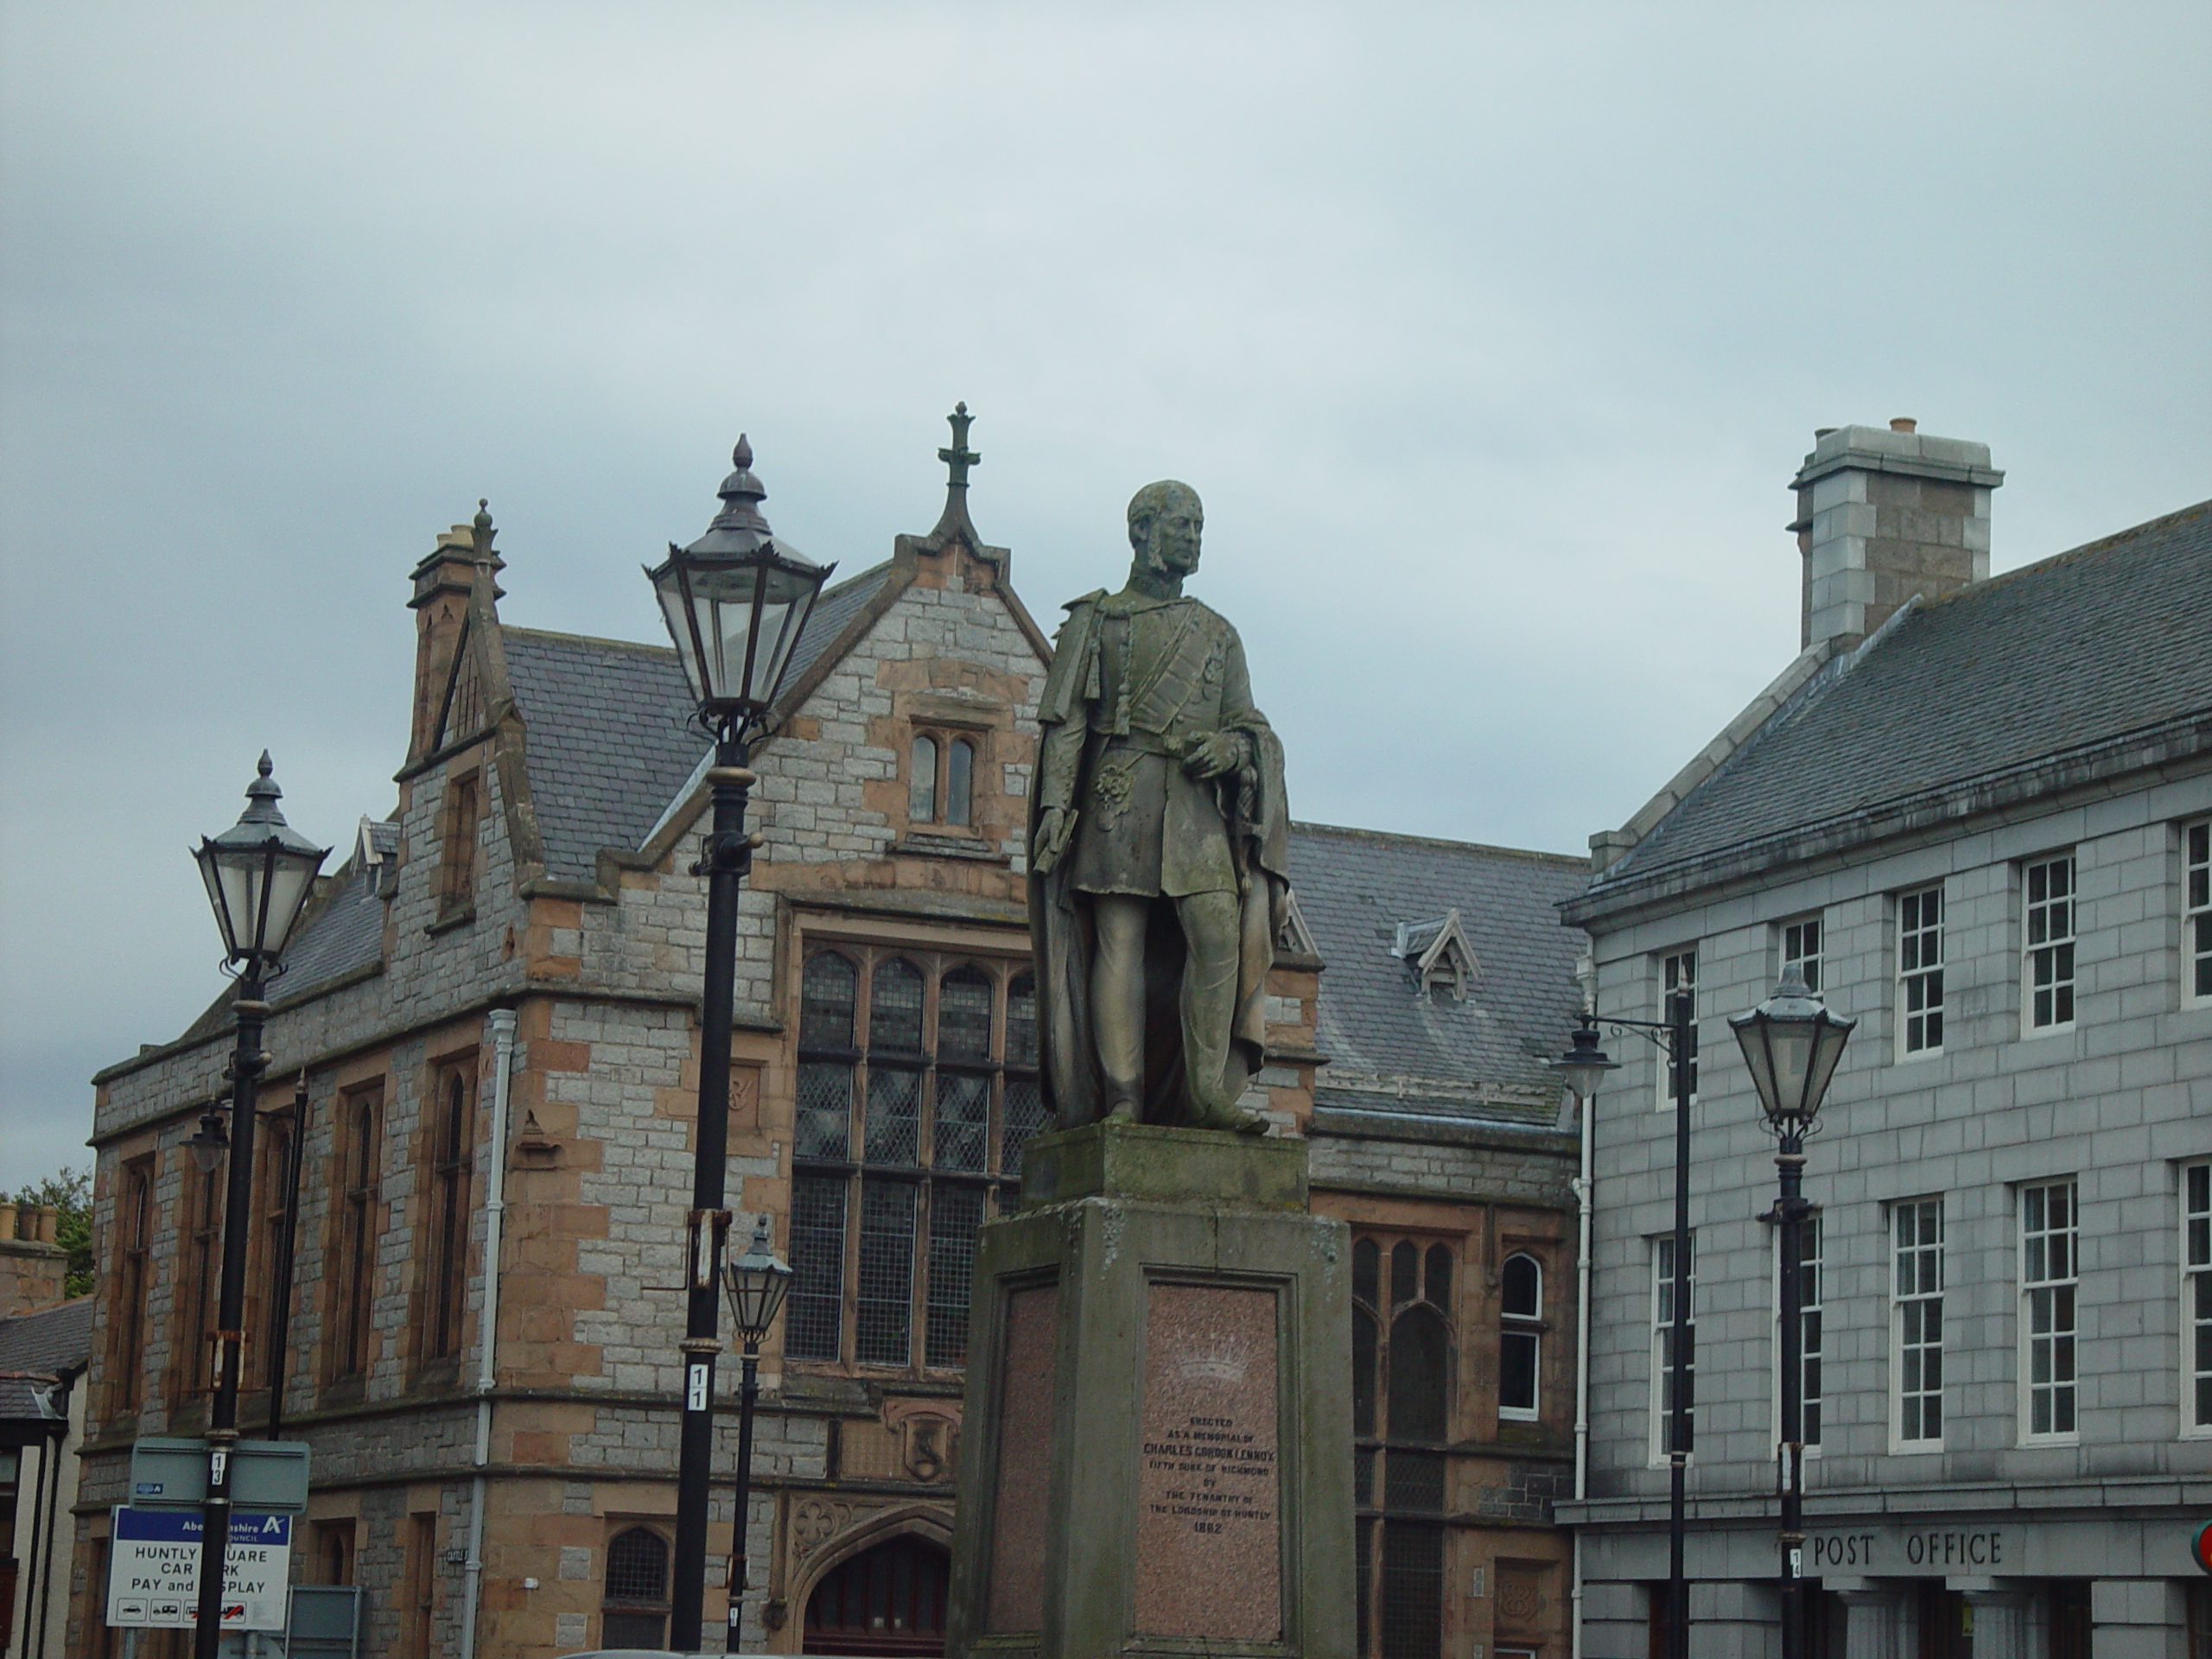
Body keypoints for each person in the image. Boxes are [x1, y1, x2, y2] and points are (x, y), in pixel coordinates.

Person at [1028, 480, 1291, 1134]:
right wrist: (1057, 807)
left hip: (1196, 808)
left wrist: (1232, 750)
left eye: (1200, 527)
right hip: (1121, 793)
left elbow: (1249, 724)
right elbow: (1068, 726)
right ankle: (1123, 1095)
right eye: (1183, 525)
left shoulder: (1218, 634)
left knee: (1218, 936)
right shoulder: (1098, 620)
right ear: (1141, 531)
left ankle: (1206, 1092)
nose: (1195, 538)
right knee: (1119, 941)